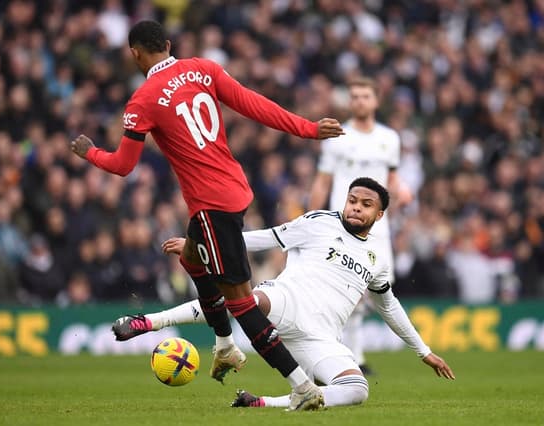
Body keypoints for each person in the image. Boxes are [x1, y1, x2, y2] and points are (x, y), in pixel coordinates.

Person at [70, 20, 345, 411]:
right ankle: (225, 346)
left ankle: (300, 385)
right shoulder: (204, 69)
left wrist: (89, 152)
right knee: (191, 257)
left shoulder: (142, 101)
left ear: (134, 54)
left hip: (212, 204)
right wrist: (307, 129)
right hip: (234, 189)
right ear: (167, 44)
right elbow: (254, 104)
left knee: (242, 304)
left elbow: (122, 166)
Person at [112, 177, 455, 408]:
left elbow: (389, 306)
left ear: (379, 215)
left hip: (321, 336)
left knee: (357, 390)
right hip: (288, 300)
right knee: (245, 301)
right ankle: (148, 322)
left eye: (365, 205)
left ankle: (266, 402)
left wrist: (423, 351)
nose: (356, 207)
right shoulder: (321, 221)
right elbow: (266, 237)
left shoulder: (377, 258)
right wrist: (203, 242)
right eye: (352, 200)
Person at [308, 77, 411, 375]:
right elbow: (323, 181)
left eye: (365, 96)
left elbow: (391, 181)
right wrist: (312, 220)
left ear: (376, 101)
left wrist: (401, 192)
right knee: (344, 292)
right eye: (354, 96)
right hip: (344, 225)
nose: (359, 101)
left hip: (378, 228)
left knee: (379, 290)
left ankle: (353, 355)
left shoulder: (390, 138)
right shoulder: (338, 136)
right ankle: (346, 357)